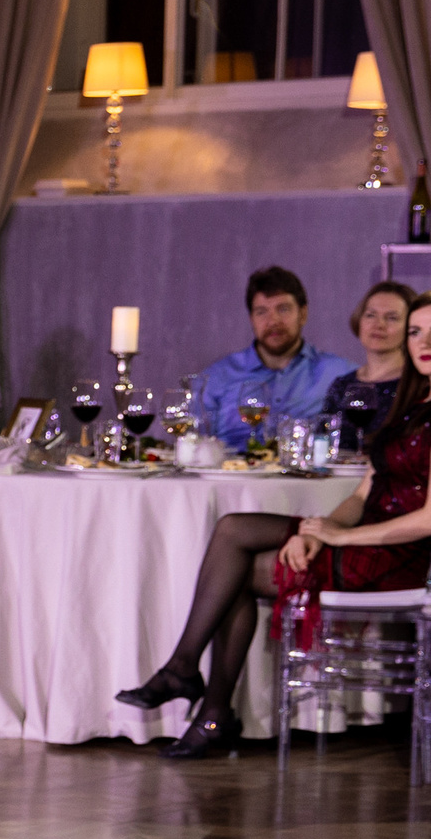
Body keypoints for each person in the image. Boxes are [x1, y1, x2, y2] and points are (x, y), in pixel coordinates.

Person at [120, 287, 431, 758]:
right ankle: (199, 694)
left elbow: (427, 520)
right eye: (416, 332)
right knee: (232, 530)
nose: (421, 341)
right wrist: (318, 529)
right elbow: (365, 493)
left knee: (236, 565)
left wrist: (340, 537)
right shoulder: (410, 405)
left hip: (398, 557)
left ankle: (202, 699)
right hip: (363, 538)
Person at [191, 267, 355, 449]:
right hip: (233, 474)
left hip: (309, 475)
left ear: (303, 314)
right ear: (251, 319)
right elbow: (195, 445)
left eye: (283, 309)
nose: (273, 321)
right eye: (262, 312)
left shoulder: (339, 374)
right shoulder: (216, 378)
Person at [323, 280, 411, 451]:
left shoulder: (415, 385)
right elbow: (323, 442)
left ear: (410, 327)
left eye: (392, 318)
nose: (379, 325)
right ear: (359, 320)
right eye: (371, 315)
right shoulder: (342, 385)